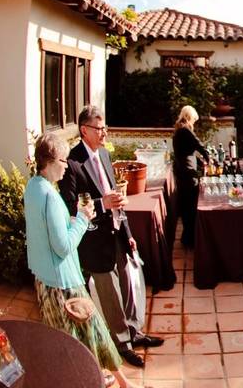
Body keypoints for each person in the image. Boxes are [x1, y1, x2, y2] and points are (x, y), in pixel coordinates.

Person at [26, 133, 136, 388]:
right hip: (64, 285)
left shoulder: (33, 187)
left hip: (45, 280)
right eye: (64, 161)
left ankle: (115, 381)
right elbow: (63, 246)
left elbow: (42, 234)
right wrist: (83, 218)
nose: (67, 166)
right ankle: (116, 382)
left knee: (76, 339)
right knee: (91, 335)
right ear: (51, 161)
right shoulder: (50, 197)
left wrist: (74, 219)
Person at [59, 106, 163, 368]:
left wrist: (127, 232)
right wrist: (102, 203)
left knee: (127, 286)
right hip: (95, 242)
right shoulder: (72, 163)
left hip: (118, 233)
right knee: (110, 294)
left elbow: (116, 195)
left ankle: (133, 332)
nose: (105, 133)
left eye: (105, 127)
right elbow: (69, 206)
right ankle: (122, 344)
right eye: (99, 128)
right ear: (85, 130)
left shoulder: (104, 154)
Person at [172, 105, 210, 247]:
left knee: (188, 205)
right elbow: (198, 145)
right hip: (187, 173)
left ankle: (187, 237)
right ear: (190, 117)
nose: (194, 122)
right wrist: (208, 159)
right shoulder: (185, 130)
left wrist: (200, 162)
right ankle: (189, 239)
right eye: (193, 119)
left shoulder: (180, 129)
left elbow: (189, 151)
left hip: (183, 170)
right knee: (190, 205)